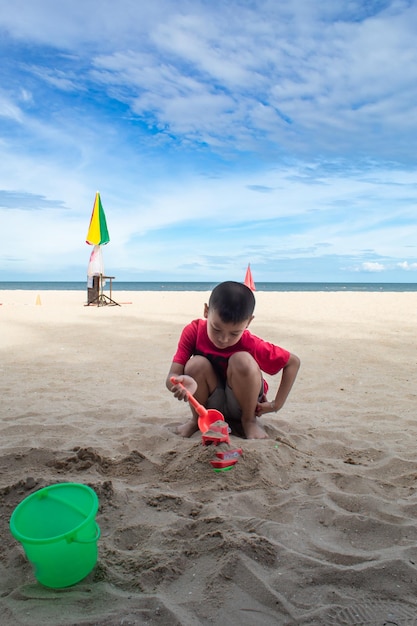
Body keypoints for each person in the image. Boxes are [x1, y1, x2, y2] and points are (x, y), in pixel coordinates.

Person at [166, 281, 300, 439]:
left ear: (248, 322)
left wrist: (276, 405)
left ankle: (249, 422)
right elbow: (171, 378)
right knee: (196, 364)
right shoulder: (193, 332)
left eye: (234, 333)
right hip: (208, 405)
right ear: (206, 312)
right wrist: (180, 383)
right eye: (216, 329)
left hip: (242, 404)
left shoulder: (250, 343)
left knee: (242, 359)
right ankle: (197, 420)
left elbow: (292, 362)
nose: (223, 339)